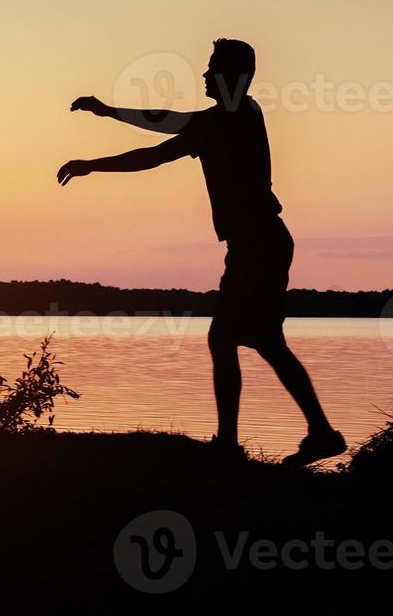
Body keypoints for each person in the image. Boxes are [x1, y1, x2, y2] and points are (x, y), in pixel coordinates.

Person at [58, 39, 344, 466]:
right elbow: (172, 122)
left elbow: (156, 153)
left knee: (226, 338)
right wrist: (110, 112)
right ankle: (316, 434)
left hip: (257, 245)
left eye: (212, 68)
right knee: (265, 341)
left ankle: (231, 444)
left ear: (231, 75)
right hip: (260, 242)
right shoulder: (242, 112)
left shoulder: (226, 120)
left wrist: (92, 163)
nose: (204, 75)